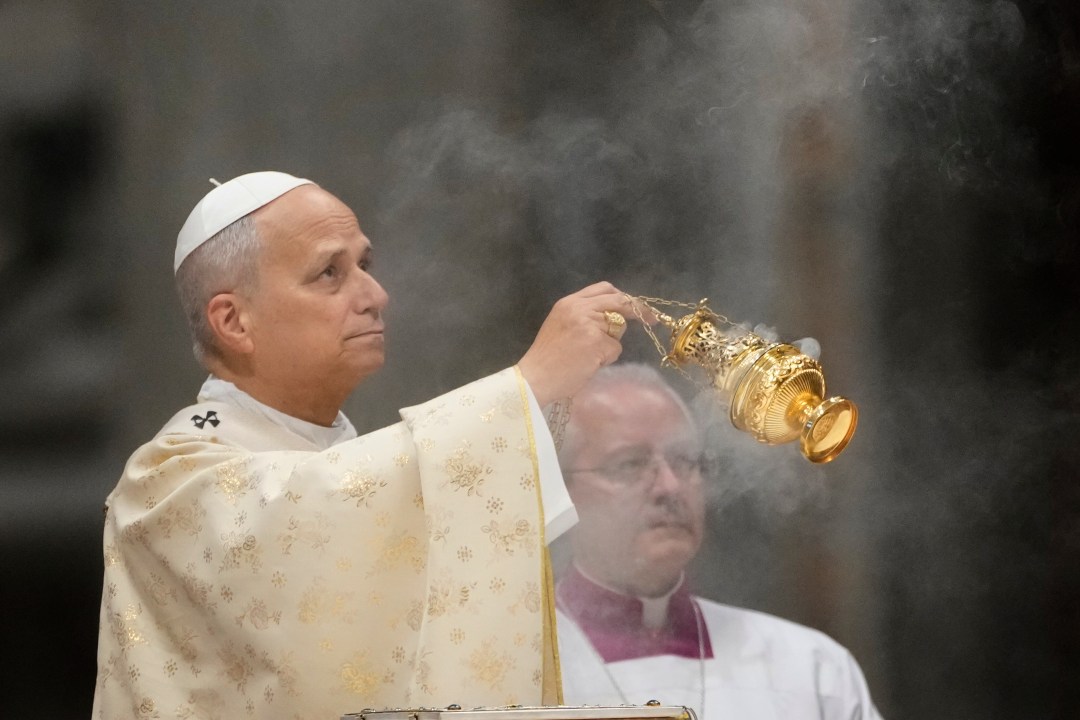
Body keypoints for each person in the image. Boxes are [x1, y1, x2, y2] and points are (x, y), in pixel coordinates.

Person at [92, 171, 641, 720]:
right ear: (234, 321)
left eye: (365, 266)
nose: (375, 296)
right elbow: (302, 513)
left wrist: (538, 399)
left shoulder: (348, 460)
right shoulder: (167, 483)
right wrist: (528, 385)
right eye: (329, 273)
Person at [554, 363, 883, 719]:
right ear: (560, 493)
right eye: (630, 464)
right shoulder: (513, 667)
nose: (670, 487)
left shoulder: (812, 670)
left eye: (684, 461)